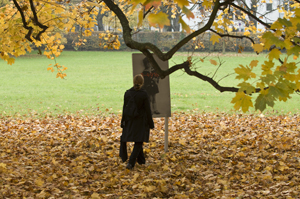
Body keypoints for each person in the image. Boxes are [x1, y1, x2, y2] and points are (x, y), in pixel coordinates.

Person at [120, 74, 154, 170]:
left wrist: (122, 122)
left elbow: (124, 108)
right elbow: (148, 110)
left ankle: (141, 161)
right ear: (142, 83)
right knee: (139, 141)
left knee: (138, 140)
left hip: (130, 120)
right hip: (141, 121)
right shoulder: (143, 94)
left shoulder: (127, 93)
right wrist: (151, 123)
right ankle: (131, 163)